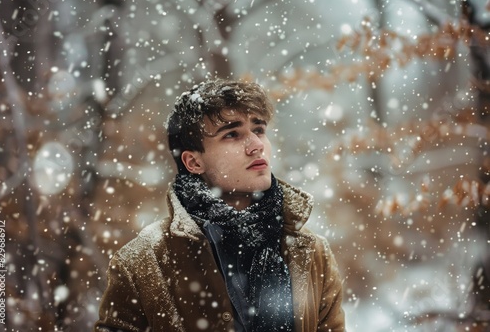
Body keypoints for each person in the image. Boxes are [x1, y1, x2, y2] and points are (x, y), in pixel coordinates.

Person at [94, 78, 346, 332]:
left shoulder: (311, 252)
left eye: (259, 130)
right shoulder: (143, 262)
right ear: (193, 162)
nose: (256, 145)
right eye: (232, 134)